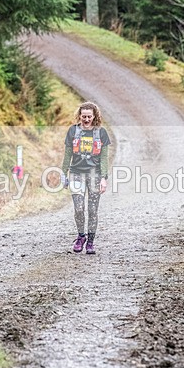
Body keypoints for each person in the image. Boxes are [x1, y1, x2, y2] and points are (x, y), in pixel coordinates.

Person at [61, 101, 110, 254]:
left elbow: (104, 158)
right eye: (84, 116)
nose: (86, 119)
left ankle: (90, 242)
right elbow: (67, 154)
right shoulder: (72, 131)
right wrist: (64, 173)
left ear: (95, 116)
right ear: (80, 116)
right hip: (76, 173)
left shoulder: (101, 133)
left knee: (93, 210)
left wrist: (104, 178)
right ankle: (81, 236)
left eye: (89, 116)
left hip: (94, 174)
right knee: (79, 208)